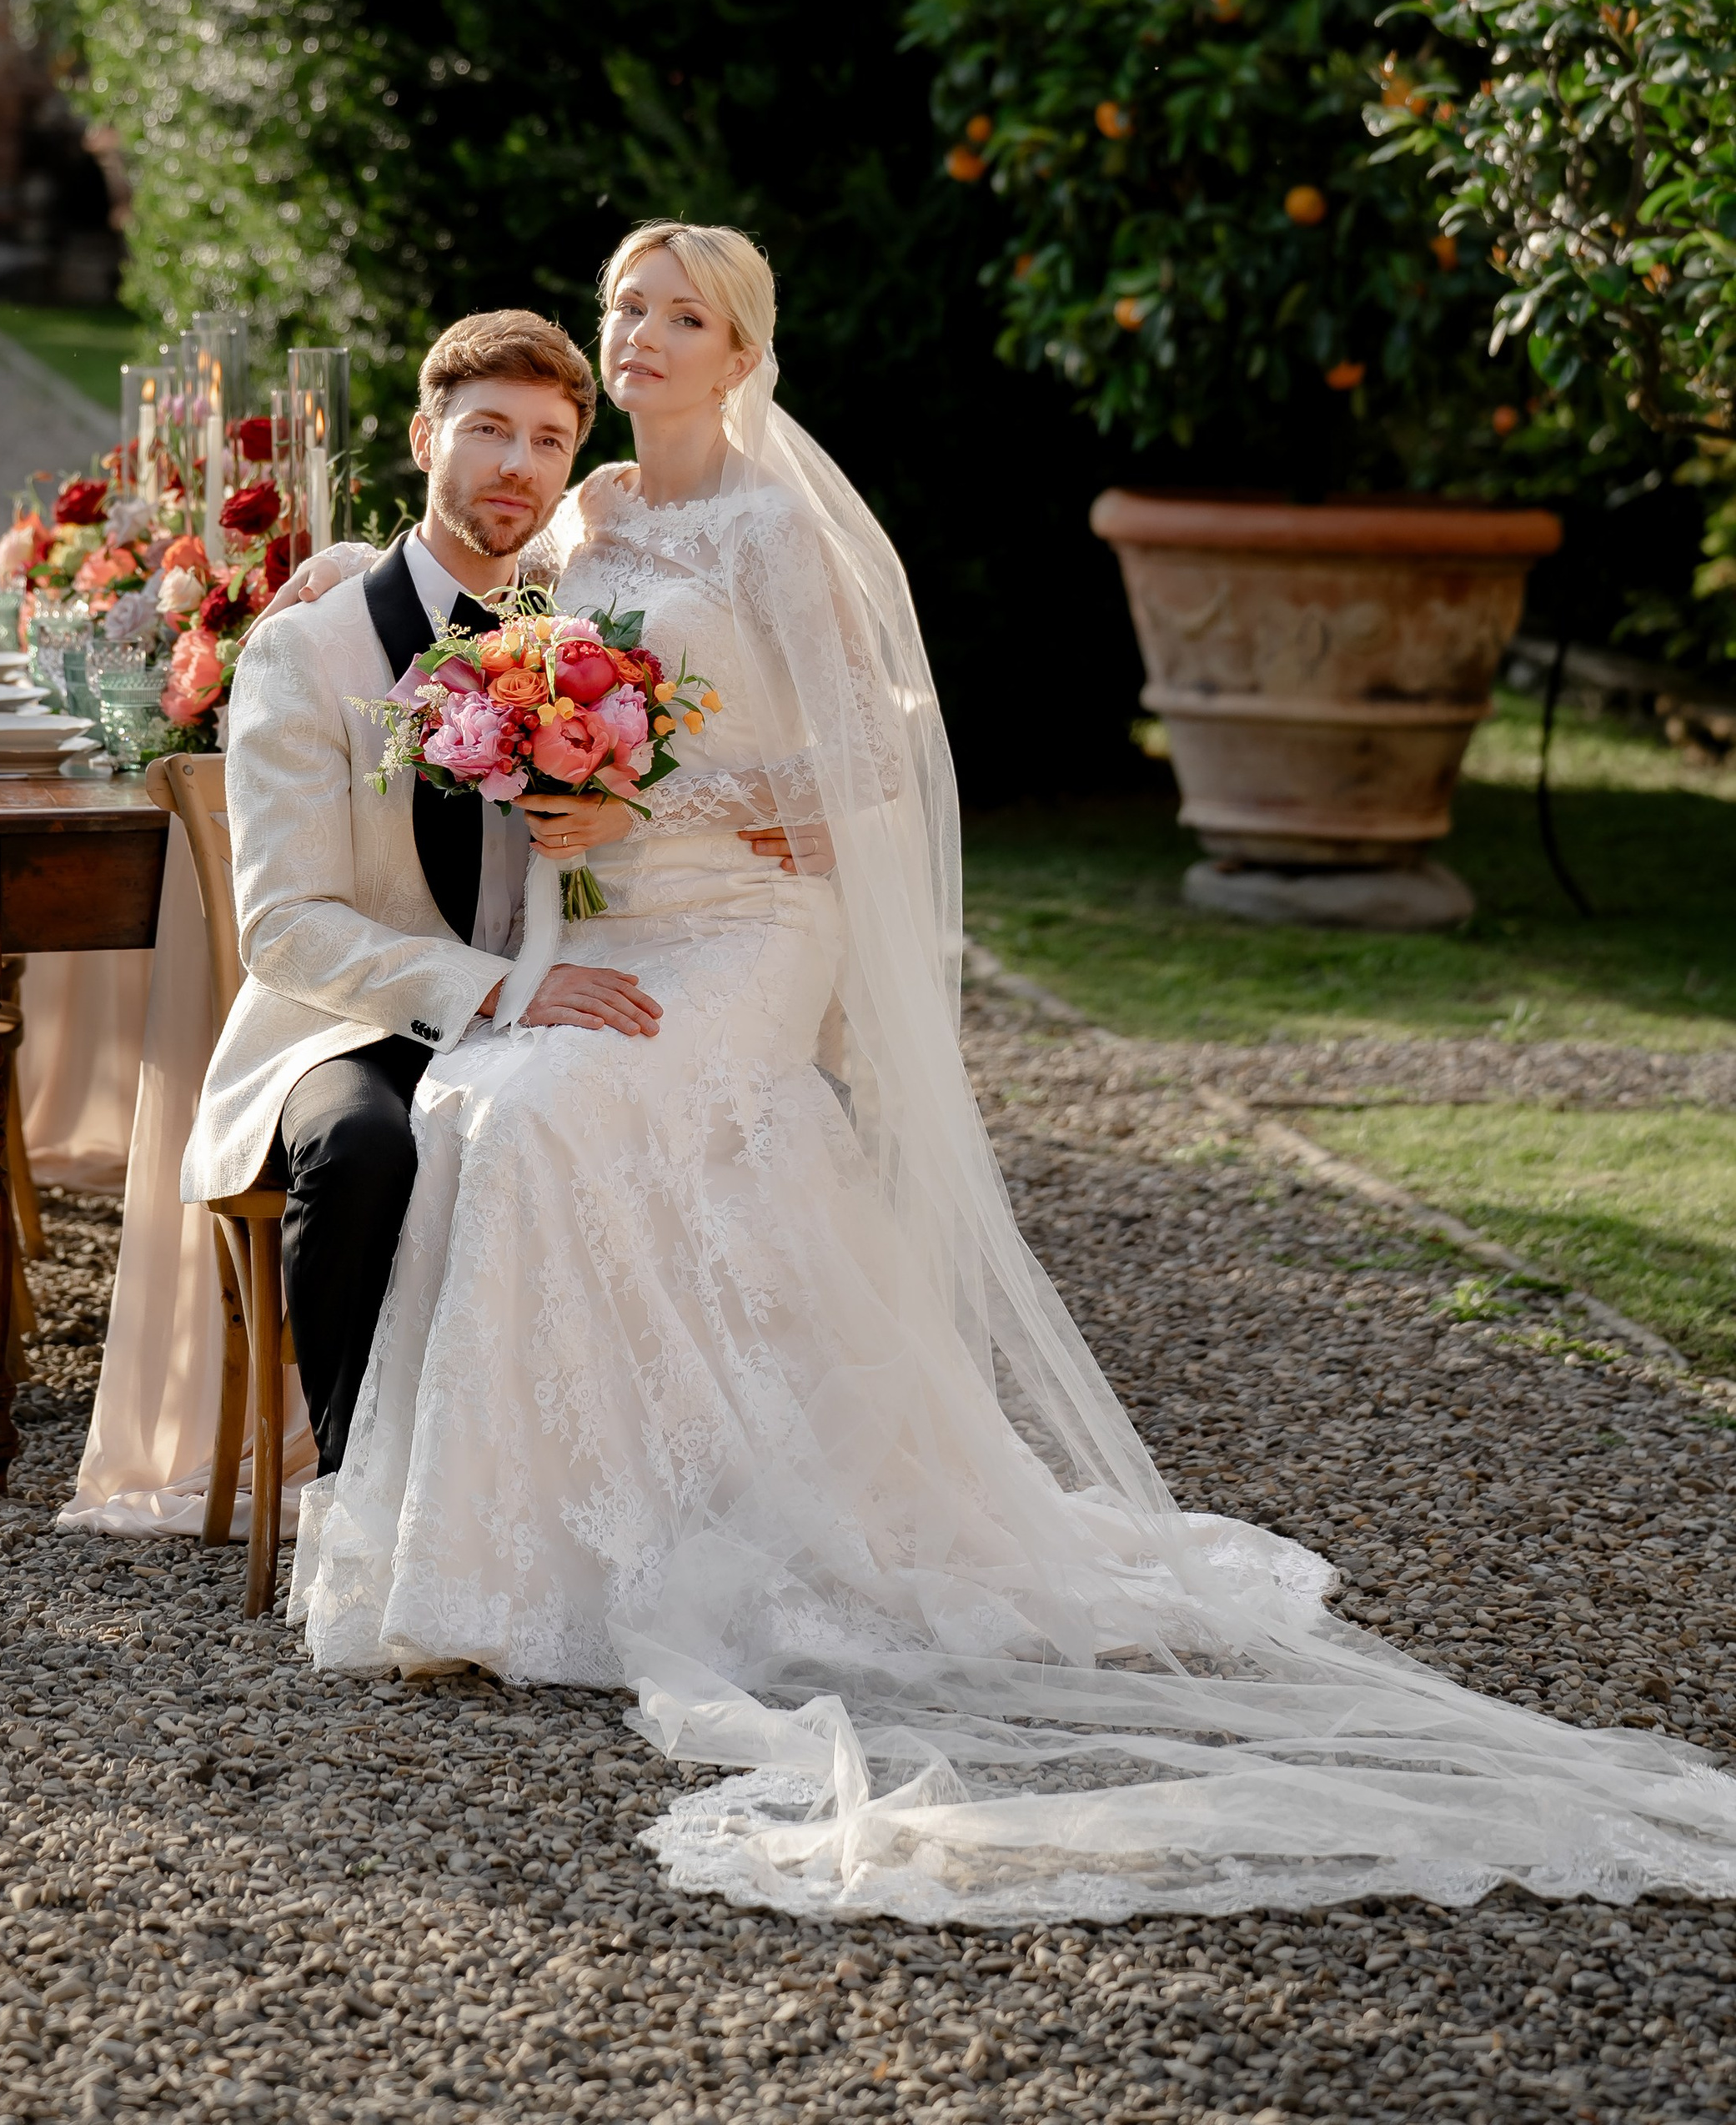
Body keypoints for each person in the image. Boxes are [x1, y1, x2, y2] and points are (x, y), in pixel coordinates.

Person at [274, 225, 1736, 1927]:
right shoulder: (588, 514)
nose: (649, 338)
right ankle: (516, 1556)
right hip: (614, 914)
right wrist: (357, 601)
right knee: (486, 1101)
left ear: (743, 353)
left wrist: (648, 807)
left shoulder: (778, 533)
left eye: (686, 317)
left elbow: (865, 776)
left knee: (554, 1105)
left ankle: (634, 1556)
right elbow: (493, 640)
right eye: (630, 312)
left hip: (751, 921)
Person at [178, 309, 662, 1484]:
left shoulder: (583, 638)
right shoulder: (310, 651)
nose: (516, 465)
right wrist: (502, 990)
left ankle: (581, 1486)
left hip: (531, 1002)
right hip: (353, 1022)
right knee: (361, 1150)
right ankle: (361, 1490)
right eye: (488, 429)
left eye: (549, 442)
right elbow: (286, 929)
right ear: (422, 436)